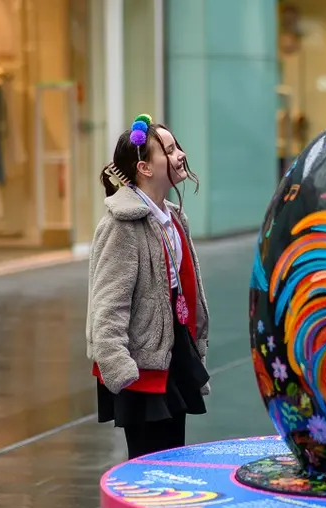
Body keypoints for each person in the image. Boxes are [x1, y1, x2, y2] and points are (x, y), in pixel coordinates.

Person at [86, 113, 211, 460]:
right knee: (149, 465)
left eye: (177, 147)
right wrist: (120, 370)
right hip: (140, 368)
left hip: (171, 354)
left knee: (173, 458)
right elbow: (108, 304)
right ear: (144, 168)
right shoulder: (121, 225)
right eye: (168, 151)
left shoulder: (171, 216)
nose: (179, 156)